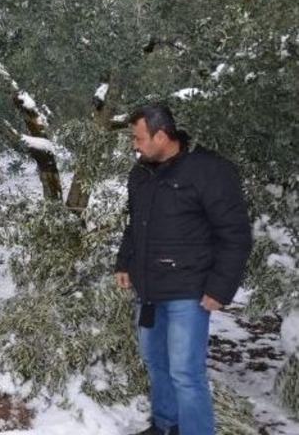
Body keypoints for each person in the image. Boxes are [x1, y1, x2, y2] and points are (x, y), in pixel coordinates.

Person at [115, 103, 252, 435]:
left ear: (161, 136)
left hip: (188, 292)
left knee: (186, 374)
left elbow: (235, 234)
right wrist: (124, 262)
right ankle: (164, 425)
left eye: (138, 137)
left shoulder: (209, 171)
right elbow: (135, 225)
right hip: (148, 290)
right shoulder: (141, 174)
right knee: (156, 364)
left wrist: (220, 288)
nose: (134, 144)